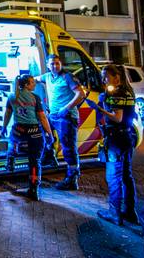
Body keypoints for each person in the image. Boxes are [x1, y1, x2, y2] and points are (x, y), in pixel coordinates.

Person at [95, 64, 138, 225]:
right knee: (127, 176)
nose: (103, 79)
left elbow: (117, 117)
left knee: (113, 177)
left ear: (116, 77)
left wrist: (99, 107)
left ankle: (115, 213)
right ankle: (130, 212)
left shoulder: (117, 93)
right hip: (127, 137)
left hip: (116, 140)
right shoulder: (128, 91)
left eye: (106, 76)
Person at [0, 74, 53, 201]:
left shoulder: (12, 96)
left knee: (12, 138)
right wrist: (49, 134)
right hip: (34, 132)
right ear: (27, 85)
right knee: (35, 161)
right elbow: (42, 117)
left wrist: (3, 127)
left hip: (19, 131)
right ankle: (33, 190)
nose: (35, 84)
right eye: (33, 82)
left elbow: (7, 114)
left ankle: (10, 159)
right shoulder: (35, 97)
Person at [36, 54, 85, 191]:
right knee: (44, 133)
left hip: (67, 117)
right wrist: (19, 82)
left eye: (57, 63)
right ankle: (50, 155)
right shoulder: (47, 77)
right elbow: (34, 79)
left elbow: (80, 94)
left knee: (68, 148)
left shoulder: (67, 76)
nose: (55, 66)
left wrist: (66, 108)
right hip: (53, 116)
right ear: (47, 65)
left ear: (61, 63)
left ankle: (72, 178)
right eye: (52, 64)